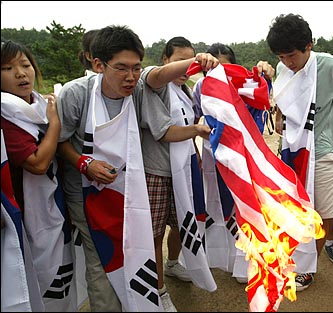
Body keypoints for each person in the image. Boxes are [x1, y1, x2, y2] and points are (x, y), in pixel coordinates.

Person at [56, 25, 218, 311]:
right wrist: (84, 162)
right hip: (86, 195)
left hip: (129, 192)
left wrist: (197, 63)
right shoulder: (76, 94)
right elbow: (59, 142)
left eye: (135, 67)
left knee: (133, 254)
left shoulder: (139, 90)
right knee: (102, 261)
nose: (130, 77)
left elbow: (156, 78)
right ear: (97, 64)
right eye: (120, 68)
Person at [266, 13, 333, 291]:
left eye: (291, 55)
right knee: (294, 210)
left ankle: (308, 267)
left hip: (325, 149)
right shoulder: (283, 69)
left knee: (322, 211)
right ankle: (293, 257)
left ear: (309, 45)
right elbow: (284, 95)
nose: (287, 63)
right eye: (281, 57)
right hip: (293, 150)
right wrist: (280, 117)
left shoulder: (332, 66)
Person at [1, 40, 76, 311]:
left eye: (25, 64)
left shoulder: (33, 107)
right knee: (37, 279)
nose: (21, 73)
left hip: (51, 206)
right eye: (8, 68)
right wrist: (54, 122)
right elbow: (38, 163)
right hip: (24, 215)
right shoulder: (6, 114)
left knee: (58, 274)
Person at [191, 42, 275, 285]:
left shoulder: (247, 86)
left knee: (244, 205)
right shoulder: (200, 86)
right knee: (216, 204)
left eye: (225, 66)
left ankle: (244, 262)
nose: (219, 73)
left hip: (244, 156)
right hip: (213, 154)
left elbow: (263, 100)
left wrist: (265, 74)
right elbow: (195, 114)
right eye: (213, 68)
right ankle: (220, 257)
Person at [140, 36, 214, 295]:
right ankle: (158, 290)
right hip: (157, 173)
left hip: (183, 168)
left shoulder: (185, 90)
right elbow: (168, 132)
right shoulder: (154, 84)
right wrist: (196, 130)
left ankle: (172, 263)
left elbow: (189, 131)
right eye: (179, 60)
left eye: (190, 60)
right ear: (165, 60)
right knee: (155, 233)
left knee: (183, 223)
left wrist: (196, 154)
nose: (186, 68)